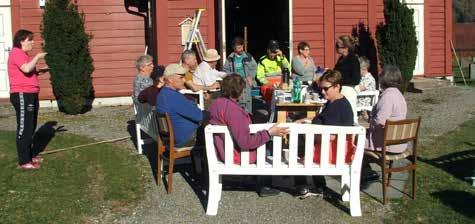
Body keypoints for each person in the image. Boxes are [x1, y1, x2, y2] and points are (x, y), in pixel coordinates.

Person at [208, 73, 289, 197]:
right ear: (240, 91)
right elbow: (245, 142)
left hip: (222, 150)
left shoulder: (215, 104)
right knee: (270, 146)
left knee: (263, 140)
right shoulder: (233, 110)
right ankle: (264, 185)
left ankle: (256, 180)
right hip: (236, 156)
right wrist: (268, 133)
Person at [294, 70, 354, 198]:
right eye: (321, 89)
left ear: (337, 86)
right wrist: (306, 120)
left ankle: (303, 185)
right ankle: (317, 185)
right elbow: (323, 119)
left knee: (296, 142)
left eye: (326, 89)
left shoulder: (338, 107)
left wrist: (309, 134)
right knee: (298, 134)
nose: (322, 92)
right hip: (331, 148)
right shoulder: (334, 101)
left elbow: (331, 137)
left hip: (332, 151)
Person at [8, 29, 47, 170]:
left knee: (30, 127)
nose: (32, 42)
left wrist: (40, 70)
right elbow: (25, 69)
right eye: (29, 40)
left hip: (30, 94)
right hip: (22, 94)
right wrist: (37, 57)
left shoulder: (23, 54)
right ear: (21, 41)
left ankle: (30, 156)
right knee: (24, 128)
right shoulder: (16, 53)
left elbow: (28, 71)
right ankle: (24, 161)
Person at [362, 65, 407, 184]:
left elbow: (379, 121)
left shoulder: (388, 96)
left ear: (385, 78)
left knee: (356, 141)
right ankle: (367, 170)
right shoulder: (399, 94)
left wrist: (368, 120)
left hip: (388, 143)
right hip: (399, 140)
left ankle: (365, 172)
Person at [156, 63, 209, 147]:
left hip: (171, 138)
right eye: (181, 77)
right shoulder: (174, 97)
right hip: (186, 139)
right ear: (170, 79)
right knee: (215, 129)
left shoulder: (162, 94)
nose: (184, 80)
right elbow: (200, 116)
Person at [223, 37, 257, 113]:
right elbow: (226, 70)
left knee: (247, 99)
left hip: (246, 81)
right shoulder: (230, 58)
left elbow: (254, 67)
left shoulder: (248, 56)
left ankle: (248, 115)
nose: (240, 48)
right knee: (237, 99)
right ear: (233, 47)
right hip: (236, 82)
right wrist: (233, 78)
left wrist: (250, 77)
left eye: (241, 46)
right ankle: (237, 115)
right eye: (238, 47)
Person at [334, 35, 360, 124]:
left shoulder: (353, 59)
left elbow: (356, 79)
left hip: (348, 90)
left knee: (350, 115)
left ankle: (353, 136)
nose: (336, 48)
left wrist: (340, 80)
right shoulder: (341, 59)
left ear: (345, 48)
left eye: (337, 46)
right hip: (340, 90)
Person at [256, 40, 290, 104]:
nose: (272, 54)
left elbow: (288, 69)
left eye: (274, 52)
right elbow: (260, 76)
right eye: (271, 51)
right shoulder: (262, 60)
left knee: (288, 88)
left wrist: (282, 57)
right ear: (268, 50)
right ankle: (271, 108)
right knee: (268, 90)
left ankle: (285, 108)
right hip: (268, 83)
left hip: (280, 82)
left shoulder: (281, 58)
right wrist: (269, 83)